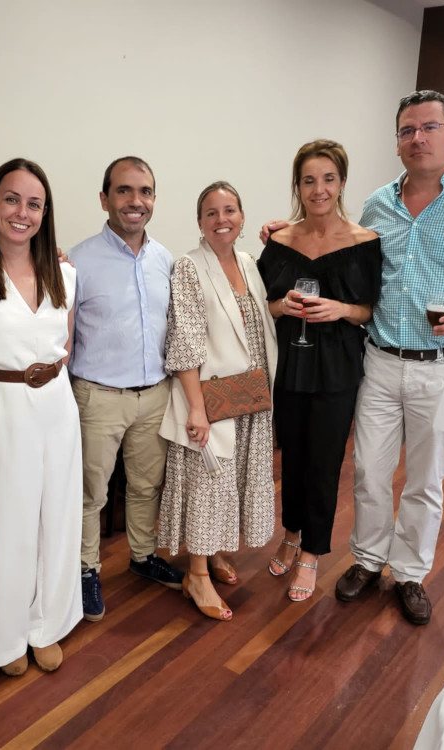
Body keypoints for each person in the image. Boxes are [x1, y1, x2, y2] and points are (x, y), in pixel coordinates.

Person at [264, 91, 444, 625]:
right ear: (397, 142)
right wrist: (281, 235)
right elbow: (342, 255)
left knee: (425, 479)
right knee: (369, 472)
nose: (418, 138)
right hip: (381, 360)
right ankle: (367, 560)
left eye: (429, 127)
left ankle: (410, 573)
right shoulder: (378, 205)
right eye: (408, 130)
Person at [0, 158, 82, 676]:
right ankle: (7, 637)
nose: (22, 212)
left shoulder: (65, 273)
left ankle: (46, 625)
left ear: (45, 213)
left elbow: (65, 344)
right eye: (11, 199)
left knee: (58, 516)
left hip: (55, 402)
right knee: (5, 524)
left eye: (34, 203)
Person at [257, 140, 382, 603]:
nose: (319, 189)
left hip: (337, 366)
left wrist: (341, 309)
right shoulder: (280, 242)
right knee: (291, 456)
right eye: (309, 180)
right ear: (297, 186)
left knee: (325, 460)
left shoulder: (365, 243)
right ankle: (291, 533)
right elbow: (261, 304)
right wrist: (281, 306)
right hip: (290, 362)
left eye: (328, 179)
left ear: (342, 183)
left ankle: (311, 552)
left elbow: (369, 310)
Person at [69, 156, 184, 622]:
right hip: (98, 398)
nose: (136, 201)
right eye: (124, 190)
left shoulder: (166, 260)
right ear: (105, 199)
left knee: (146, 485)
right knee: (89, 493)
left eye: (145, 191)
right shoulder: (77, 261)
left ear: (154, 199)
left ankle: (142, 555)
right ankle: (85, 569)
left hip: (155, 395)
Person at [157, 182, 278, 621]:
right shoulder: (190, 267)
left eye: (229, 210)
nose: (221, 219)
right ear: (200, 222)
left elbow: (254, 320)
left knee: (233, 480)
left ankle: (214, 554)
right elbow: (185, 341)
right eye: (211, 212)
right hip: (211, 398)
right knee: (208, 485)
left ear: (242, 218)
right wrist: (196, 408)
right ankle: (196, 574)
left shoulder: (248, 263)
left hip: (250, 395)